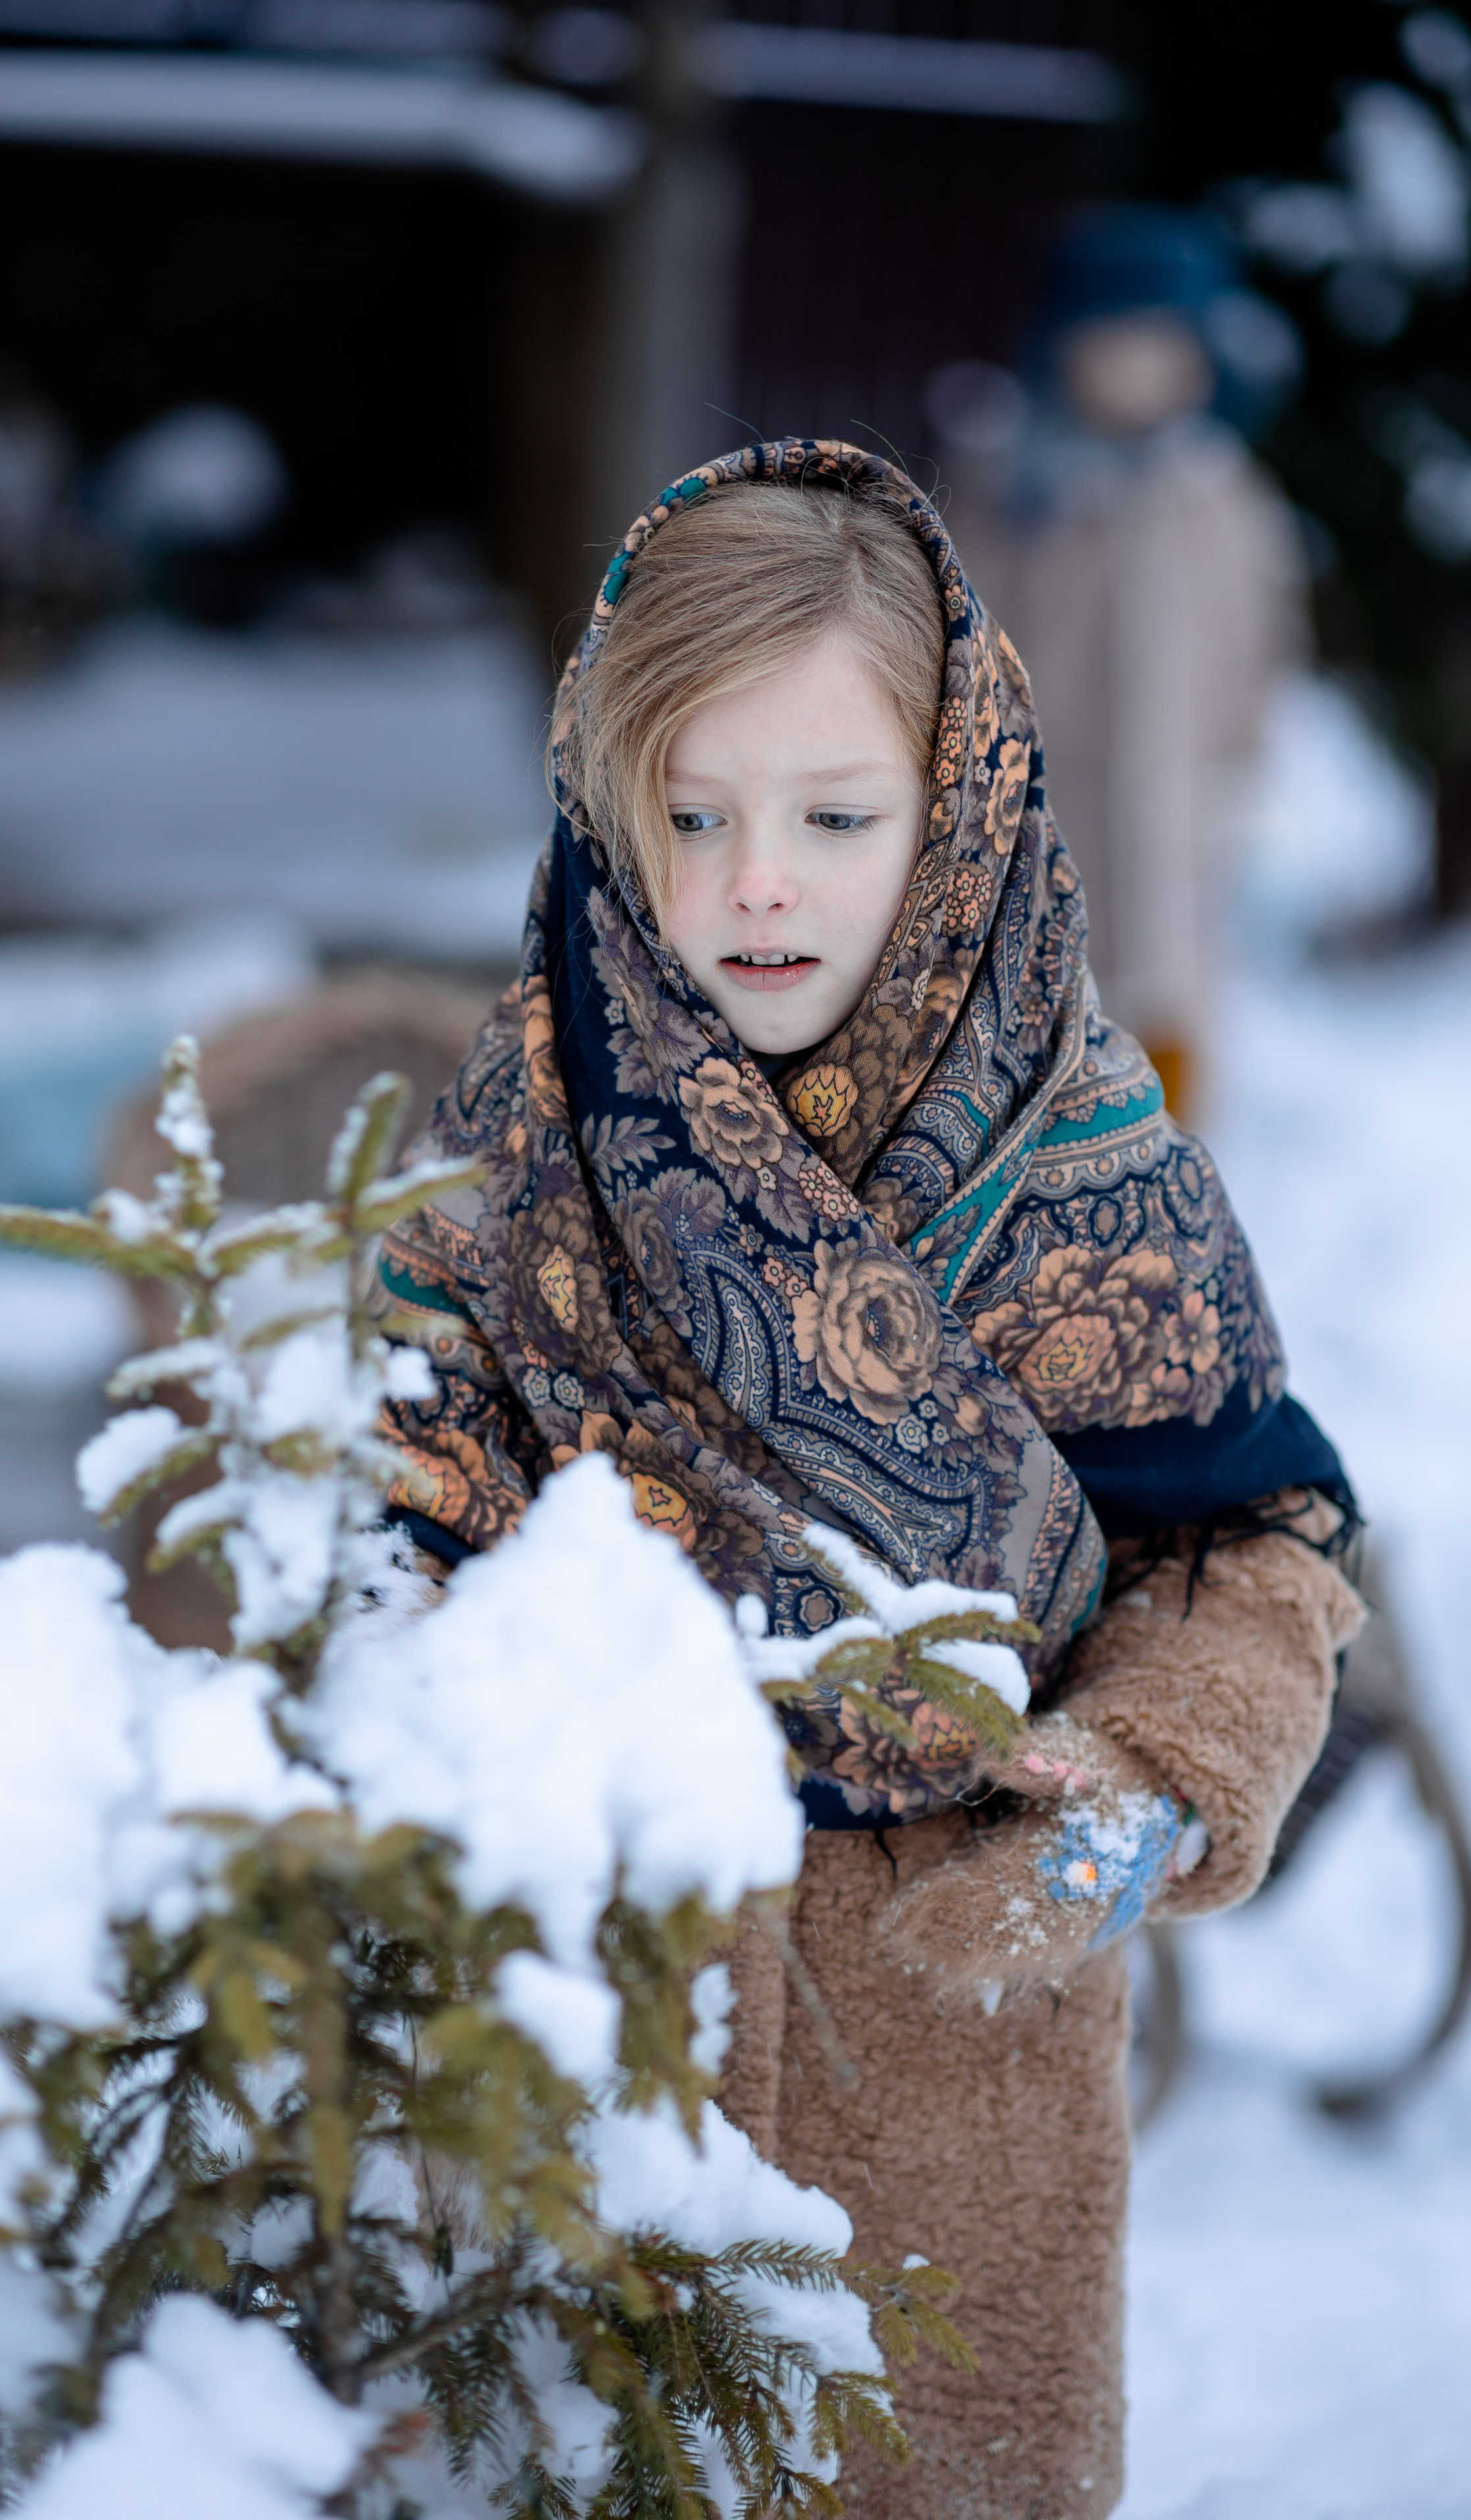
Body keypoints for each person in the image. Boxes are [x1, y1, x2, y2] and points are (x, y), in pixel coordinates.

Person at [375, 440, 1363, 2518]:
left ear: (963, 807)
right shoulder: (515, 1150)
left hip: (953, 2092)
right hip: (573, 2048)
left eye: (836, 818)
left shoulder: (1092, 1179)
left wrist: (1145, 1790)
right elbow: (380, 1533)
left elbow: (1252, 1544)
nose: (759, 883)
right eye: (696, 815)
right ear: (601, 801)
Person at [933, 208, 1309, 1122]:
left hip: (1178, 805)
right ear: (1063, 349)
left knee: (1168, 998)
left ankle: (1162, 1170)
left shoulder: (1221, 491)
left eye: (1165, 345)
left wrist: (1242, 751)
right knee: (1035, 998)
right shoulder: (1015, 486)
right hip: (1041, 802)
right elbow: (957, 630)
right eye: (1116, 343)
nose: (1141, 369)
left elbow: (1262, 630)